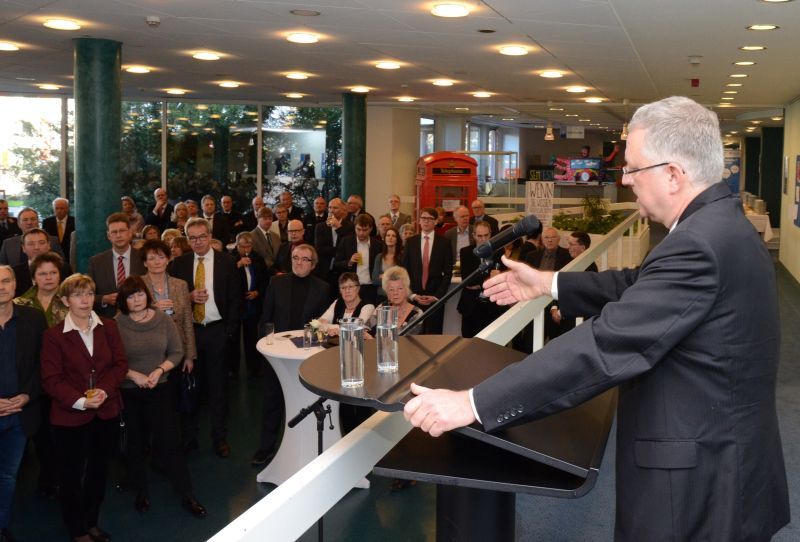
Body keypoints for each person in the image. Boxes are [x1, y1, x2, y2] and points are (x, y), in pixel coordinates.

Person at [403, 96, 789, 541]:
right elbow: (641, 282)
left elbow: (602, 345)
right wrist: (549, 284)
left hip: (699, 482)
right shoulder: (719, 225)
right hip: (725, 459)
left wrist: (471, 403)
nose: (625, 180)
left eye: (633, 168)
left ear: (673, 174)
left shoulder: (699, 244)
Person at [40, 274, 128, 542]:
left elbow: (120, 365)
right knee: (70, 475)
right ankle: (77, 530)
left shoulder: (109, 327)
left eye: (89, 293)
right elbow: (51, 380)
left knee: (98, 471)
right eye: (78, 295)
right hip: (69, 417)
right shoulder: (54, 336)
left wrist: (104, 390)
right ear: (66, 300)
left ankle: (91, 522)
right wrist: (80, 401)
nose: (85, 300)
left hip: (106, 411)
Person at [114, 276, 206, 518]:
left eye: (140, 294)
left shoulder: (163, 321)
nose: (137, 299)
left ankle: (186, 493)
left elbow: (177, 351)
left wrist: (159, 370)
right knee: (135, 442)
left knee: (170, 442)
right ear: (123, 300)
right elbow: (111, 360)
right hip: (130, 390)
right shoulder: (116, 324)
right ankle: (140, 490)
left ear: (147, 295)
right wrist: (133, 375)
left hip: (160, 387)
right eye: (131, 296)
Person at [169, 217, 241, 458]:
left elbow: (235, 299)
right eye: (192, 238)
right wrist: (188, 297)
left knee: (218, 390)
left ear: (210, 236)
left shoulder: (227, 262)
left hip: (217, 332)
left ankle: (219, 438)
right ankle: (189, 438)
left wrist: (229, 332)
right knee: (189, 388)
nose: (197, 242)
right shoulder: (178, 264)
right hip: (189, 334)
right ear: (187, 239)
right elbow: (173, 302)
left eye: (202, 236)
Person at [252, 244, 328, 466]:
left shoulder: (322, 288)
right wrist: (265, 350)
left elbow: (323, 326)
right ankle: (266, 448)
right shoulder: (277, 282)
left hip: (307, 357)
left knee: (306, 402)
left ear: (313, 265)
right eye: (295, 258)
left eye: (305, 259)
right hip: (277, 355)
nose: (299, 262)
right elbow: (266, 318)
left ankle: (307, 448)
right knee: (272, 401)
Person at [0, 265, 48, 542]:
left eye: (6, 281)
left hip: (20, 414)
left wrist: (28, 395)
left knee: (7, 476)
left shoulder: (33, 318)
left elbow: (43, 365)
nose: (2, 286)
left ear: (16, 284)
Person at [139, 240, 196, 450]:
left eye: (161, 256)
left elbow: (188, 322)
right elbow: (125, 315)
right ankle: (153, 446)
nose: (156, 262)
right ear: (144, 262)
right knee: (153, 402)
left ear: (168, 259)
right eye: (151, 258)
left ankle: (175, 444)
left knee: (175, 400)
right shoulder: (137, 284)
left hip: (176, 350)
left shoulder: (180, 285)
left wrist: (190, 355)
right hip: (148, 352)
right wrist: (152, 307)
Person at [400, 207, 453, 334]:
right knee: (413, 335)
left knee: (433, 336)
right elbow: (404, 271)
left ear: (436, 222)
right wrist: (412, 295)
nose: (426, 221)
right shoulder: (411, 242)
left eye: (430, 219)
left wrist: (437, 296)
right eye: (423, 218)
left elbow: (448, 273)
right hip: (414, 297)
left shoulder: (445, 243)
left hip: (435, 298)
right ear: (419, 221)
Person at [87, 213, 146, 318]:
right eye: (114, 232)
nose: (118, 235)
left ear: (130, 233)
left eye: (122, 231)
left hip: (139, 319)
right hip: (106, 321)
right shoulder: (96, 262)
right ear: (109, 236)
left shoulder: (143, 258)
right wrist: (103, 299)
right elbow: (86, 294)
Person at [227, 232, 268, 379]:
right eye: (243, 246)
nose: (246, 249)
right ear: (236, 245)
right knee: (234, 338)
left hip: (252, 304)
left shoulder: (257, 258)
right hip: (236, 305)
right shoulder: (230, 258)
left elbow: (265, 279)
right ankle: (233, 369)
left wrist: (257, 292)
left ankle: (254, 368)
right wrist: (238, 264)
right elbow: (225, 278)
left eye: (249, 246)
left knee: (252, 337)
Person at [333, 214, 383, 304]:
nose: (361, 233)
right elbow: (336, 265)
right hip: (351, 287)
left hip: (370, 288)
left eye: (365, 230)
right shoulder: (346, 242)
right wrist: (350, 262)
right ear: (355, 228)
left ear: (371, 229)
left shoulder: (377, 245)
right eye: (358, 229)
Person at [11, 228, 73, 297]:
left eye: (41, 243)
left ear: (49, 245)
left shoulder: (64, 268)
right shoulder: (14, 273)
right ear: (23, 248)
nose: (36, 247)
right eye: (31, 244)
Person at [373, 266, 423, 335]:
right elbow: (366, 326)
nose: (395, 293)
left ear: (406, 290)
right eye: (391, 289)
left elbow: (407, 341)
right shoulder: (382, 307)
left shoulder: (417, 313)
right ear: (386, 292)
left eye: (400, 288)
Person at [371, 226, 403, 302]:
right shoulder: (379, 257)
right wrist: (393, 277)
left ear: (397, 239)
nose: (390, 238)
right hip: (381, 296)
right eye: (388, 235)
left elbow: (402, 279)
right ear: (384, 238)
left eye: (393, 236)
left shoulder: (402, 257)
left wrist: (384, 276)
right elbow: (375, 280)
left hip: (398, 296)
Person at [250, 207, 280, 273]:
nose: (268, 221)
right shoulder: (251, 236)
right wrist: (274, 271)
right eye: (265, 218)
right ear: (258, 219)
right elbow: (257, 258)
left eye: (270, 218)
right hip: (262, 274)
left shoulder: (276, 236)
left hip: (278, 273)